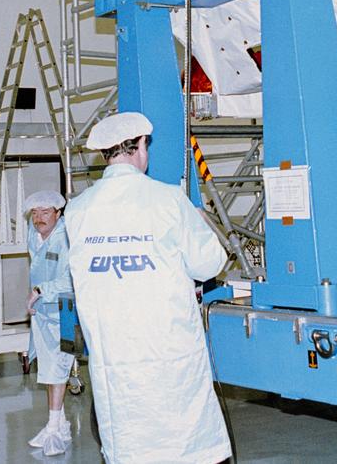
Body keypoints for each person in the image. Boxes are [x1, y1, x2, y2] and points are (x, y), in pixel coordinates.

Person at [64, 111, 231, 464]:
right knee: (185, 446)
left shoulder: (77, 211)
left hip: (115, 359)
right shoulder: (169, 200)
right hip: (170, 352)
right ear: (140, 147)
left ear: (106, 154)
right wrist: (201, 223)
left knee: (130, 446)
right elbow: (210, 263)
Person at [24, 189, 75, 457]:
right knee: (47, 369)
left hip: (62, 311)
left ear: (58, 213)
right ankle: (60, 425)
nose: (39, 218)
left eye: (45, 213)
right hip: (42, 313)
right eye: (35, 213)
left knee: (57, 369)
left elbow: (72, 279)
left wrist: (41, 291)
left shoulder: (65, 238)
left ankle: (54, 429)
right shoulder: (34, 235)